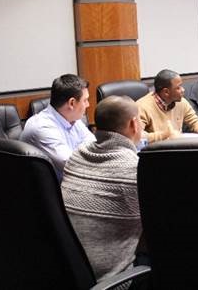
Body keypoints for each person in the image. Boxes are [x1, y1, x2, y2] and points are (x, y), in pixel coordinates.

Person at [61, 95, 144, 282]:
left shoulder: (76, 156)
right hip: (115, 278)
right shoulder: (131, 168)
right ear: (134, 124)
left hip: (67, 268)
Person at [20, 74, 95, 180]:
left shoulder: (73, 118)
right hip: (53, 192)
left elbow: (93, 144)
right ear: (72, 103)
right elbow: (72, 165)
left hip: (75, 183)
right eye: (85, 100)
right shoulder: (41, 128)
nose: (88, 105)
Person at [136, 69, 198, 142]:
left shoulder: (181, 102)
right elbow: (137, 136)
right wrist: (164, 135)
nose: (183, 90)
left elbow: (194, 121)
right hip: (155, 151)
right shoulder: (142, 107)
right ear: (166, 92)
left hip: (176, 148)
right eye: (178, 87)